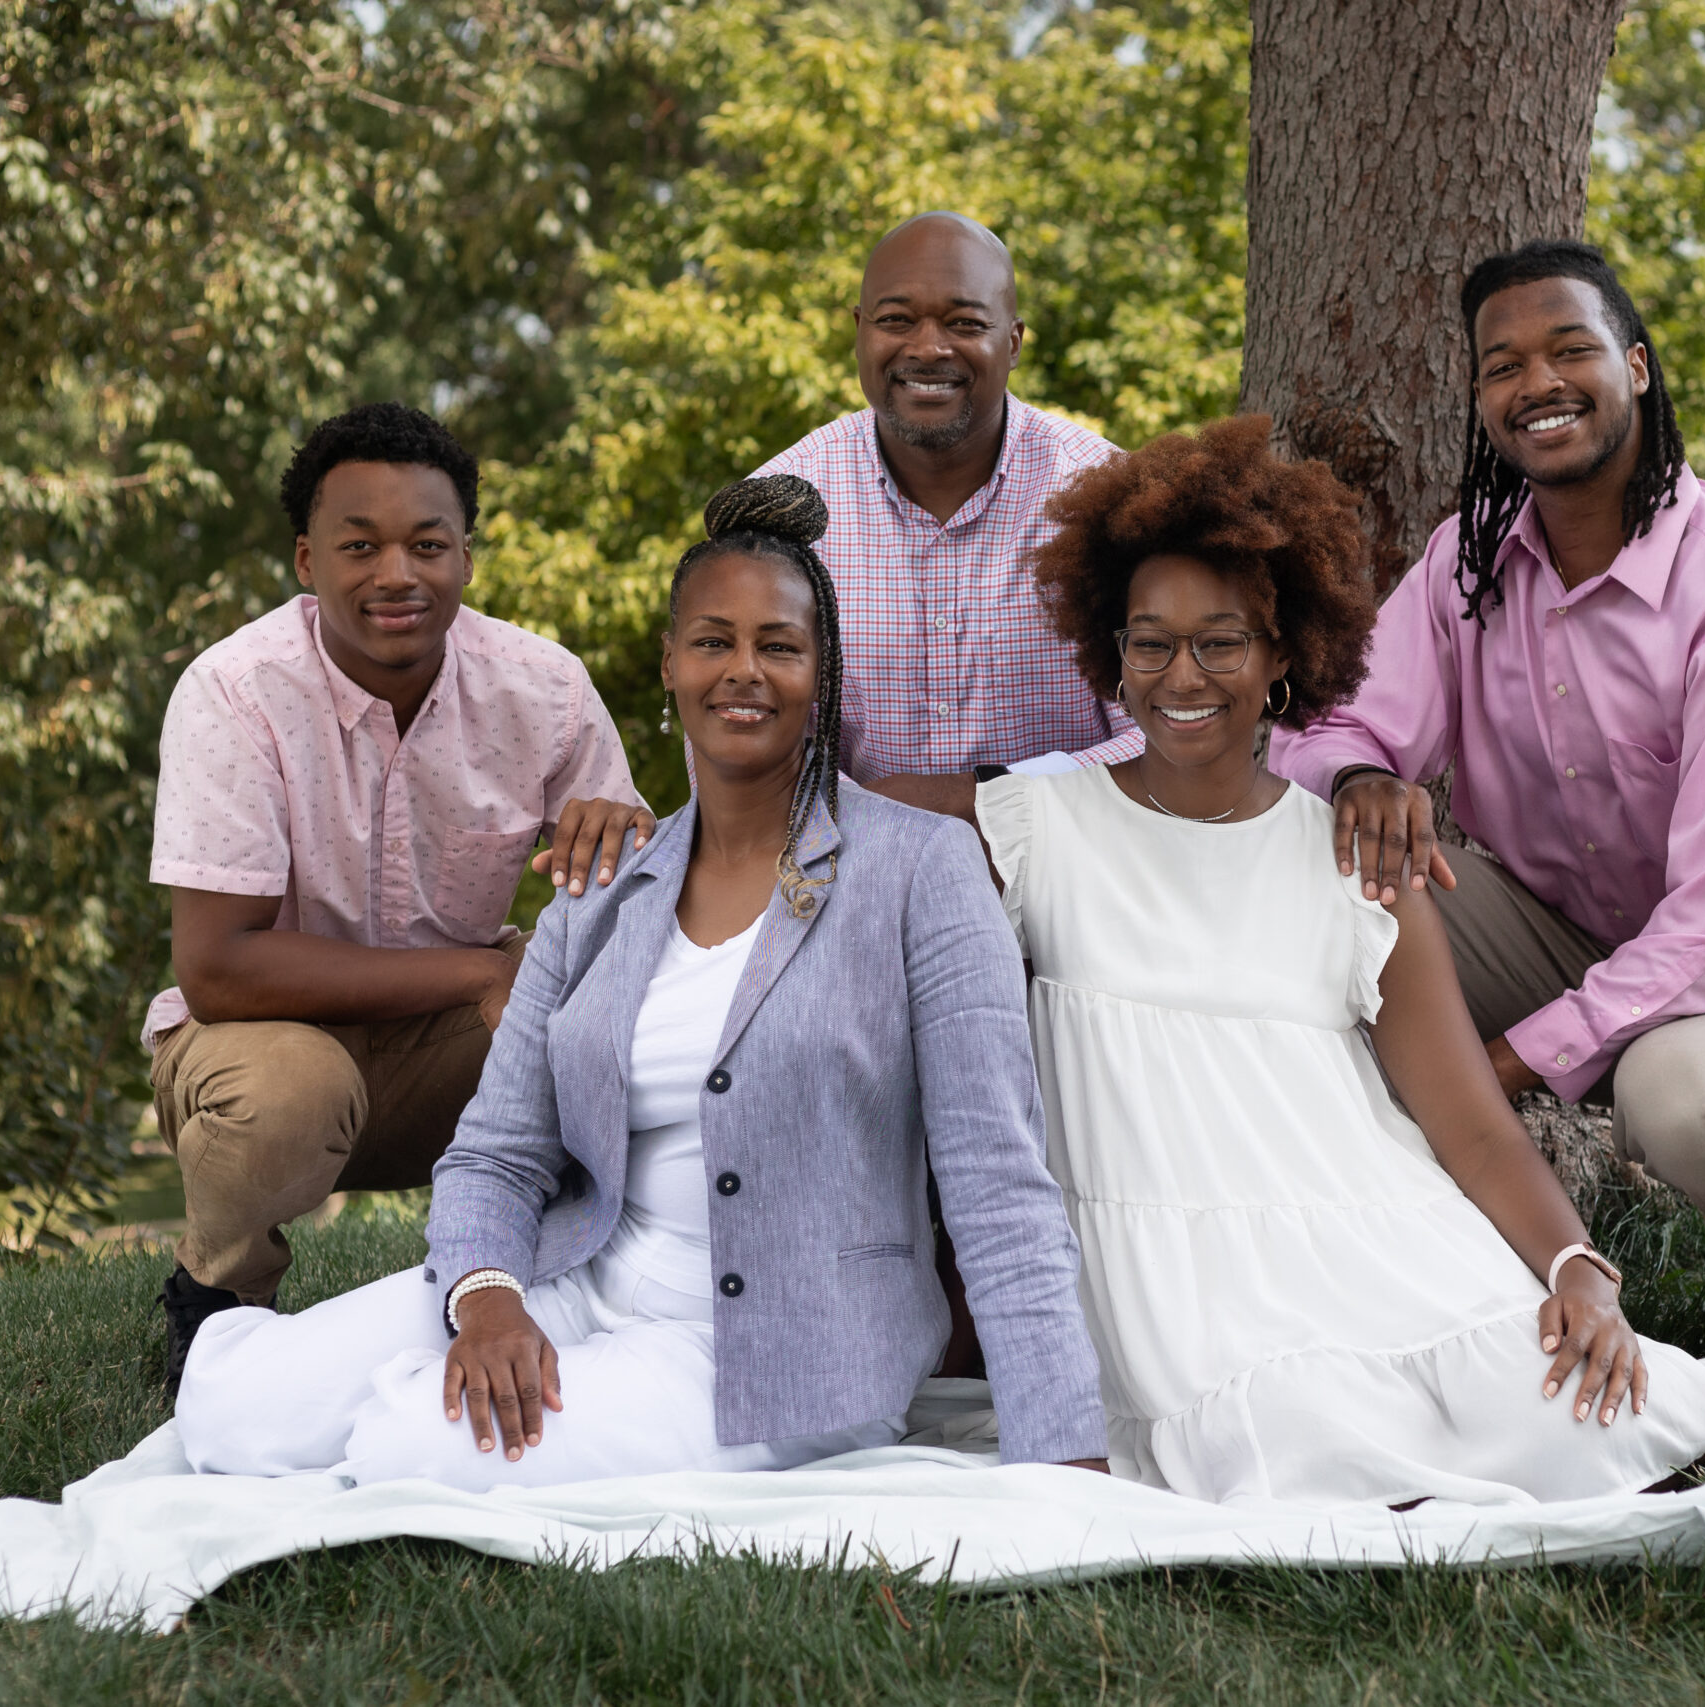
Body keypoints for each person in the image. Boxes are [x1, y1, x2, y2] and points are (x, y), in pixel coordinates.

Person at [967, 416, 1705, 1506]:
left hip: (1369, 1231)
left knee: (1565, 1407)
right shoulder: (1027, 826)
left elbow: (1474, 1130)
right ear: (1112, 655)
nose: (1182, 673)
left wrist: (1578, 1269)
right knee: (1285, 1442)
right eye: (1148, 642)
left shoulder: (1349, 869)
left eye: (1223, 641)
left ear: (1283, 657)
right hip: (1166, 1277)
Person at [172, 474, 1108, 1489]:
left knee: (413, 1446)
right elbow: (495, 1153)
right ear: (670, 662)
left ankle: (456, 1414)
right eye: (713, 641)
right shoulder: (607, 885)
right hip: (576, 1274)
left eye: (778, 646)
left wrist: (1066, 1459)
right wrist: (487, 1300)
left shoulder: (920, 873)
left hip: (782, 1345)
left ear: (822, 668)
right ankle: (471, 1381)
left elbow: (997, 1182)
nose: (742, 672)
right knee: (234, 1413)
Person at [1270, 241, 1705, 1355]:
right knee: (1316, 867)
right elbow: (1340, 727)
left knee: (1677, 1095)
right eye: (1503, 364)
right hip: (1560, 932)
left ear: (1636, 367)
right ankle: (1320, 1253)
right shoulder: (1464, 561)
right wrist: (1364, 775)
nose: (1538, 384)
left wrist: (1501, 1069)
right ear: (1479, 401)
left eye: (1570, 350)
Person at [148, 402, 655, 1390]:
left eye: (427, 544)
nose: (397, 574)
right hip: (260, 1045)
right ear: (306, 560)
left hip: (447, 1055)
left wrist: (625, 855)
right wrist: (483, 968)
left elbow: (632, 916)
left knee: (614, 1031)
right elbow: (215, 968)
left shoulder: (544, 689)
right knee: (287, 1095)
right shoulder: (233, 691)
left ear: (467, 556)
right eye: (360, 545)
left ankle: (578, 1293)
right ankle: (219, 1303)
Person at [750, 211, 1141, 815]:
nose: (928, 348)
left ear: (1012, 341)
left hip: (1074, 880)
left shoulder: (1110, 500)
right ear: (860, 330)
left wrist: (984, 800)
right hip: (846, 881)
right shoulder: (781, 510)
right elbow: (740, 734)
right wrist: (880, 826)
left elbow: (1171, 732)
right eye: (895, 321)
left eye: (964, 323)